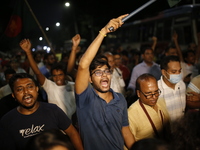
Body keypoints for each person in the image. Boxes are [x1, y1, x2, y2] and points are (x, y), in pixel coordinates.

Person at [75, 14, 135, 150]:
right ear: (90, 79)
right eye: (97, 72)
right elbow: (83, 65)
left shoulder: (120, 99)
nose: (104, 75)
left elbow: (125, 132)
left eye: (106, 71)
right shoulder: (84, 98)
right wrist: (104, 32)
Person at [0, 73, 83, 150]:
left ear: (37, 89)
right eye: (20, 89)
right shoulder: (7, 121)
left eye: (29, 87)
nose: (26, 92)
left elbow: (72, 133)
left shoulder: (52, 110)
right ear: (13, 95)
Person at [19, 37, 78, 119]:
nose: (57, 78)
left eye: (60, 74)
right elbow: (37, 72)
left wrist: (74, 48)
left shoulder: (73, 86)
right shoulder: (50, 86)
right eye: (55, 75)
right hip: (58, 125)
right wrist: (28, 52)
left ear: (65, 75)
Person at [127, 74, 170, 144]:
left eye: (156, 92)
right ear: (138, 93)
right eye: (148, 93)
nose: (154, 97)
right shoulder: (131, 114)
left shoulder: (161, 102)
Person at [157, 55, 186, 125]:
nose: (178, 74)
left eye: (179, 71)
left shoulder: (182, 84)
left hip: (181, 128)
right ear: (164, 72)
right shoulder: (156, 89)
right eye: (174, 72)